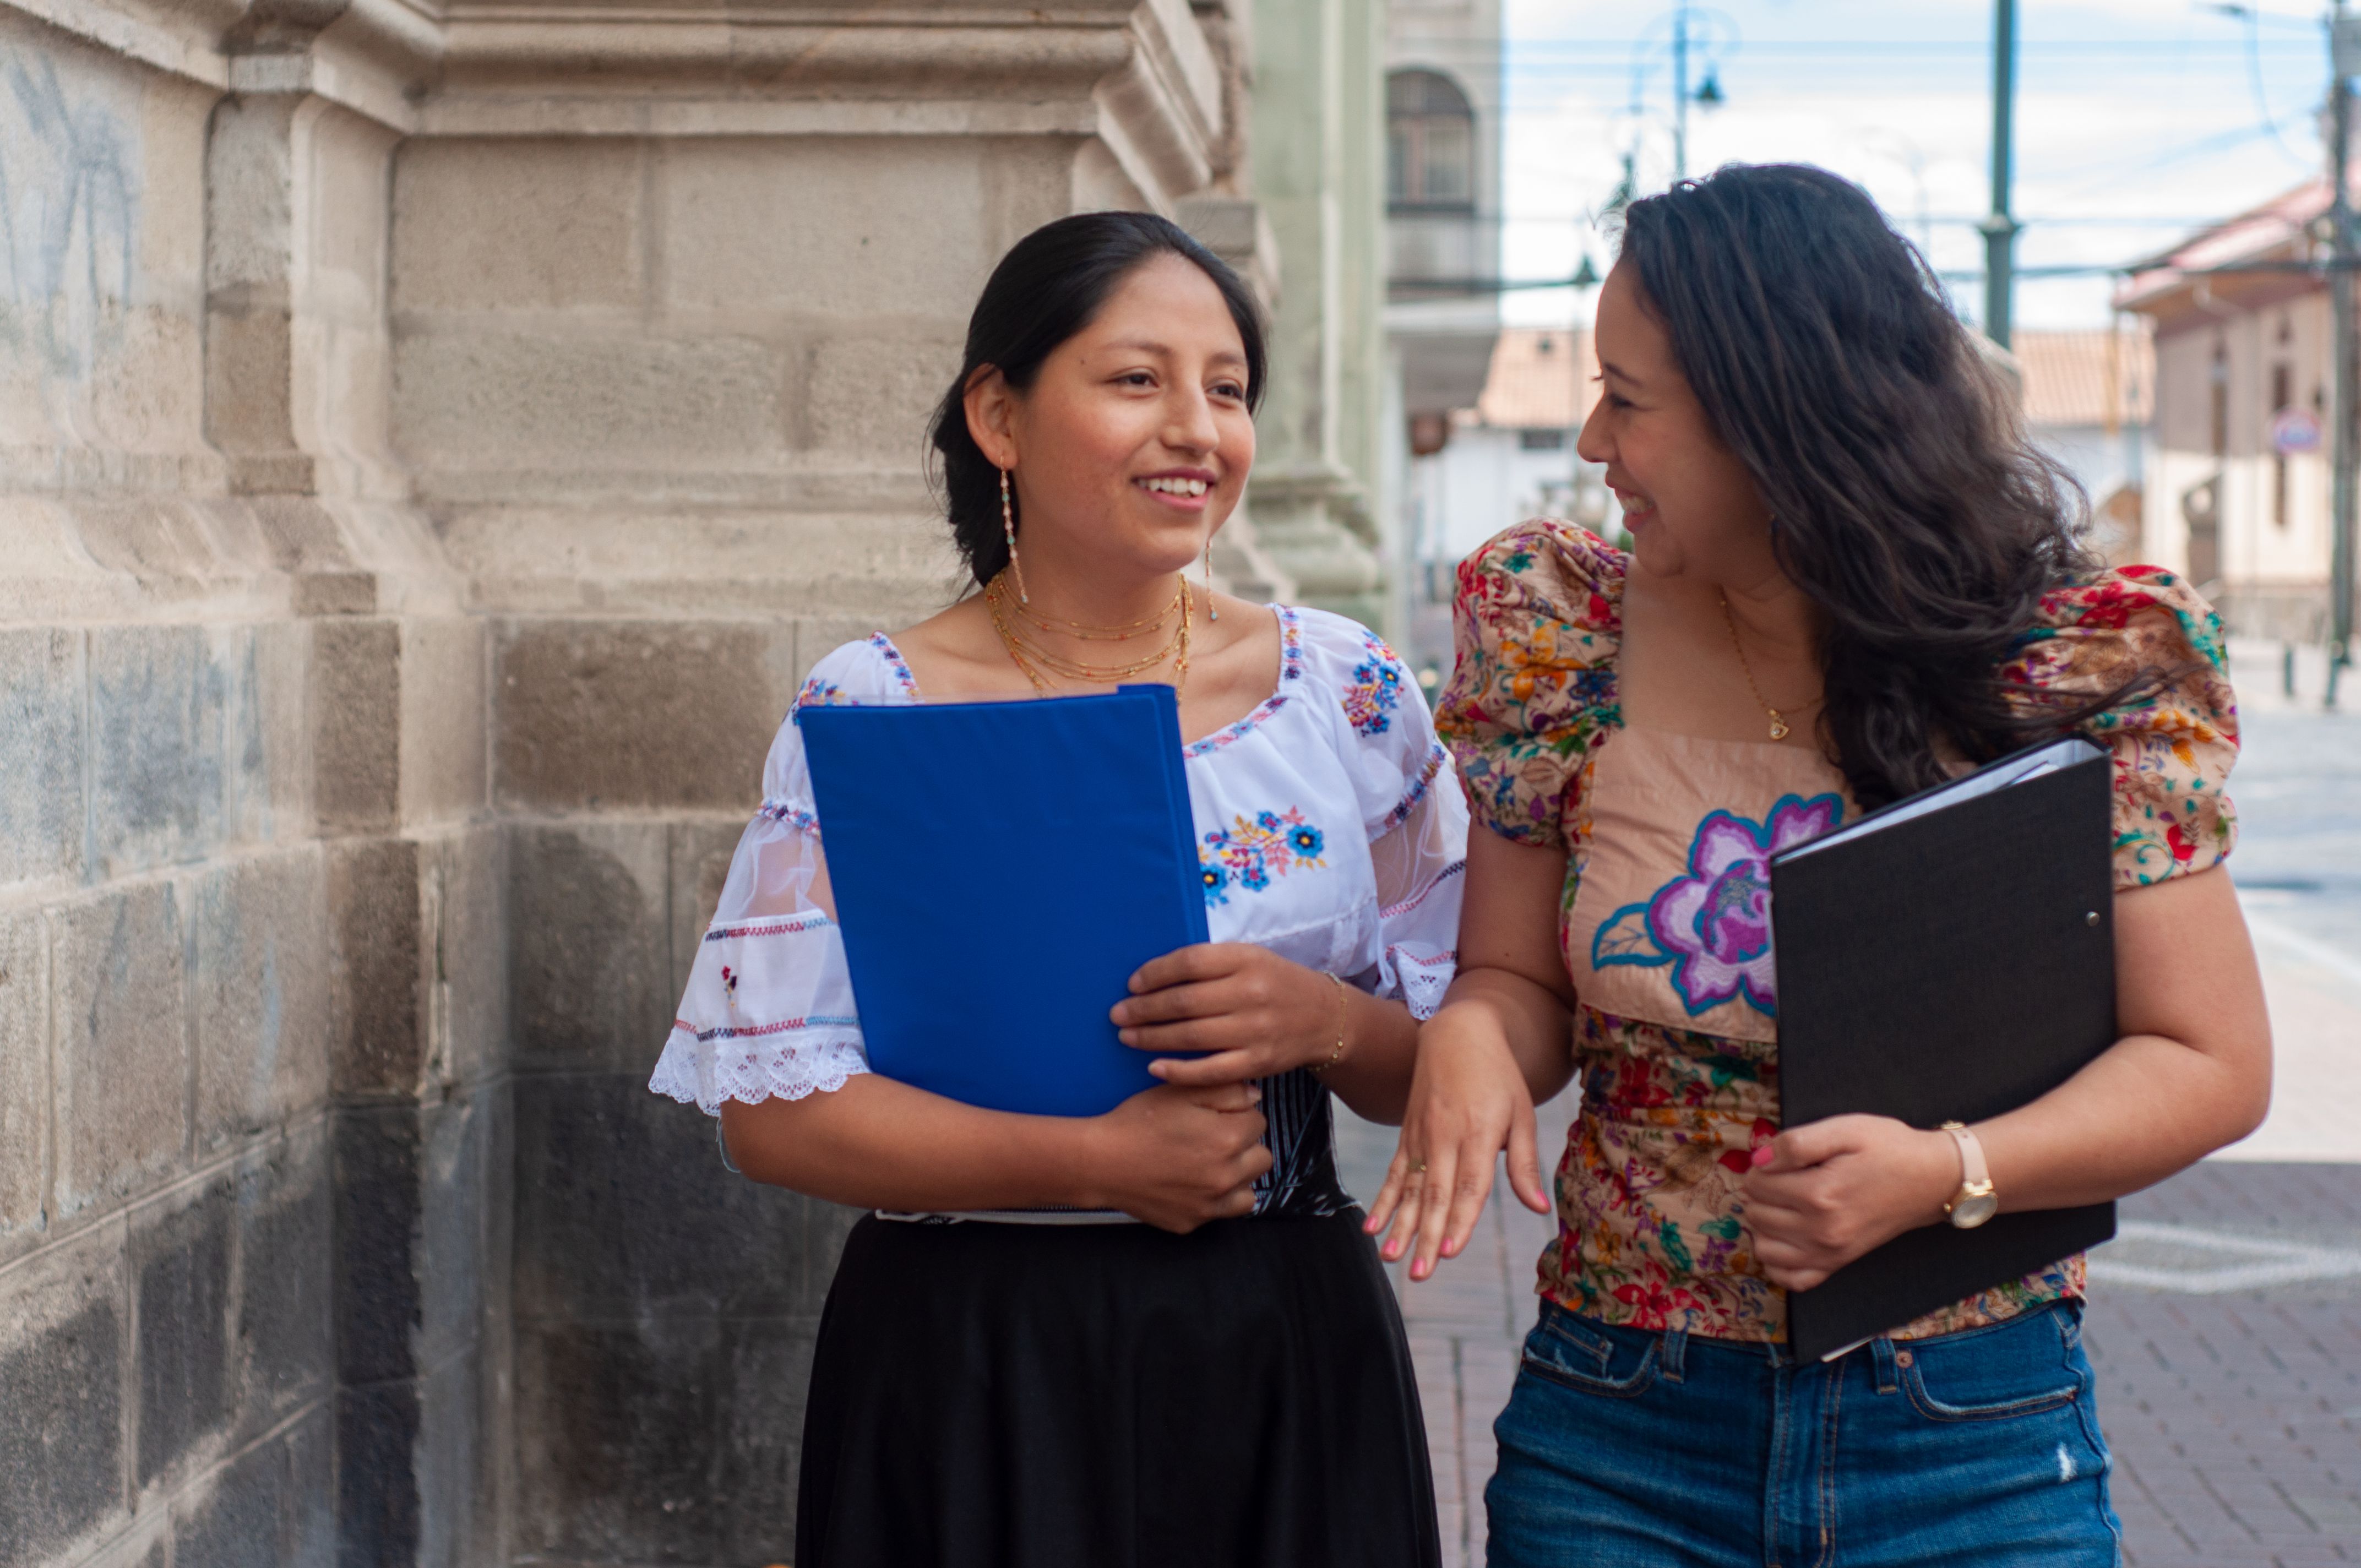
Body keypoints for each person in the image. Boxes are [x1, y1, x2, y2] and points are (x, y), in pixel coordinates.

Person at [1367, 164, 2272, 1566]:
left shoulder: (2068, 663)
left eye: (1631, 397)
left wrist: (1949, 1169)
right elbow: (1504, 976)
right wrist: (1478, 1035)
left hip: (1971, 1430)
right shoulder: (1556, 633)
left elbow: (2206, 1057)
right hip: (1619, 1425)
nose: (1593, 434)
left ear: (1775, 415)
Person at [648, 211, 1465, 1568]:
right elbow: (768, 1112)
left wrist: (1319, 1020)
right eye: (1137, 380)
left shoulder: (1344, 688)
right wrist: (1094, 1161)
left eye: (1227, 389)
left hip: (1279, 1338)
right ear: (999, 414)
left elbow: (1444, 1050)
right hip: (971, 1358)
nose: (1196, 428)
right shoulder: (879, 706)